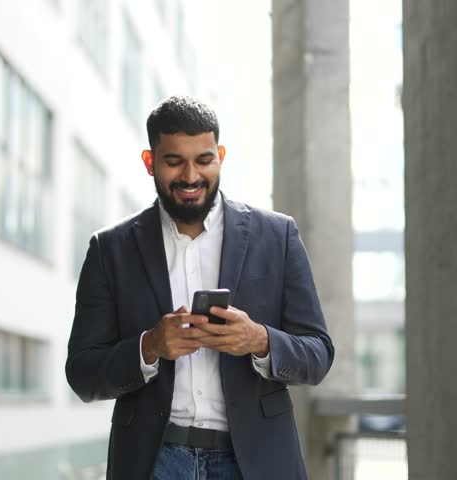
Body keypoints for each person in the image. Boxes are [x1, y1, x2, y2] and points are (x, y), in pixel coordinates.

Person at [66, 96, 334, 480]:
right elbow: (82, 373)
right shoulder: (111, 250)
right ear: (150, 162)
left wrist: (259, 340)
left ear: (220, 156)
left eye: (204, 160)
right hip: (154, 461)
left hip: (255, 462)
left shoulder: (278, 237)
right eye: (174, 161)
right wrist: (150, 347)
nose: (191, 176)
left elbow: (318, 353)